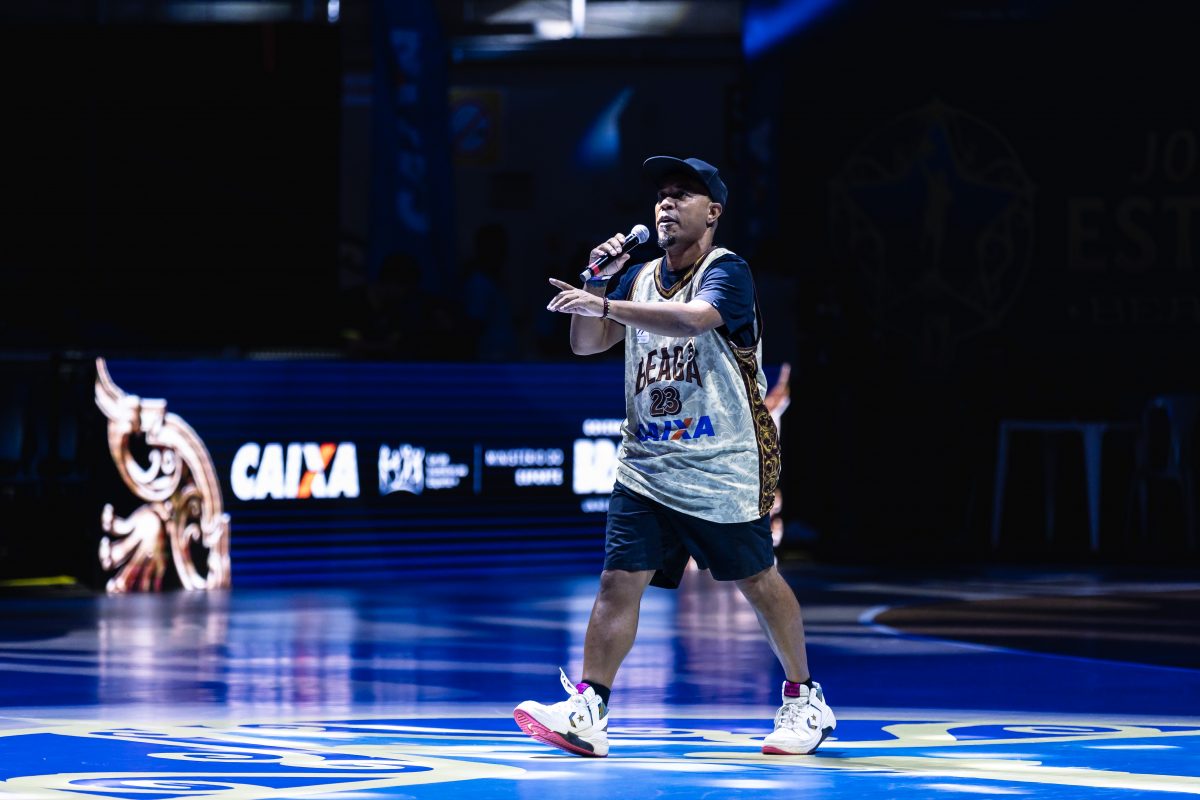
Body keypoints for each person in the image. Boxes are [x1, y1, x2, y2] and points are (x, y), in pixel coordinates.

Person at [513, 156, 835, 758]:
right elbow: (586, 344)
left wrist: (605, 306)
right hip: (646, 465)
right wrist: (599, 283)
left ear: (712, 212)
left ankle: (804, 699)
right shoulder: (636, 280)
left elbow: (694, 320)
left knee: (757, 580)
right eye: (662, 194)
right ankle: (589, 707)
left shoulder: (726, 270)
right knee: (618, 581)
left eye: (682, 194)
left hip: (721, 464)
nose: (666, 203)